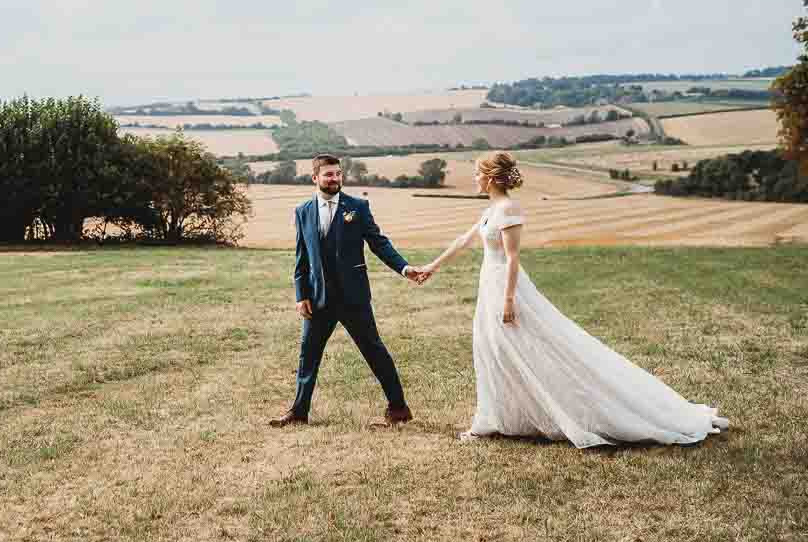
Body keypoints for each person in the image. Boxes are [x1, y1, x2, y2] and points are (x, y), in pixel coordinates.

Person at [417, 151, 729, 447]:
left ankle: (507, 419)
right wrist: (431, 267)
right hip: (490, 287)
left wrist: (509, 300)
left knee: (531, 348)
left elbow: (512, 258)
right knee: (491, 349)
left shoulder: (509, 210)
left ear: (490, 178)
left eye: (477, 173)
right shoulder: (490, 211)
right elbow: (463, 241)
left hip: (505, 287)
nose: (474, 178)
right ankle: (499, 417)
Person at [269, 154, 428, 429]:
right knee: (308, 355)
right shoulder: (303, 211)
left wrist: (404, 268)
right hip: (318, 299)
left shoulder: (358, 207)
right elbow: (301, 257)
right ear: (315, 178)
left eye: (338, 174)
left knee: (374, 351)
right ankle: (299, 412)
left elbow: (379, 243)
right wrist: (300, 294)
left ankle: (399, 408)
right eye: (328, 174)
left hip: (353, 297)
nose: (335, 179)